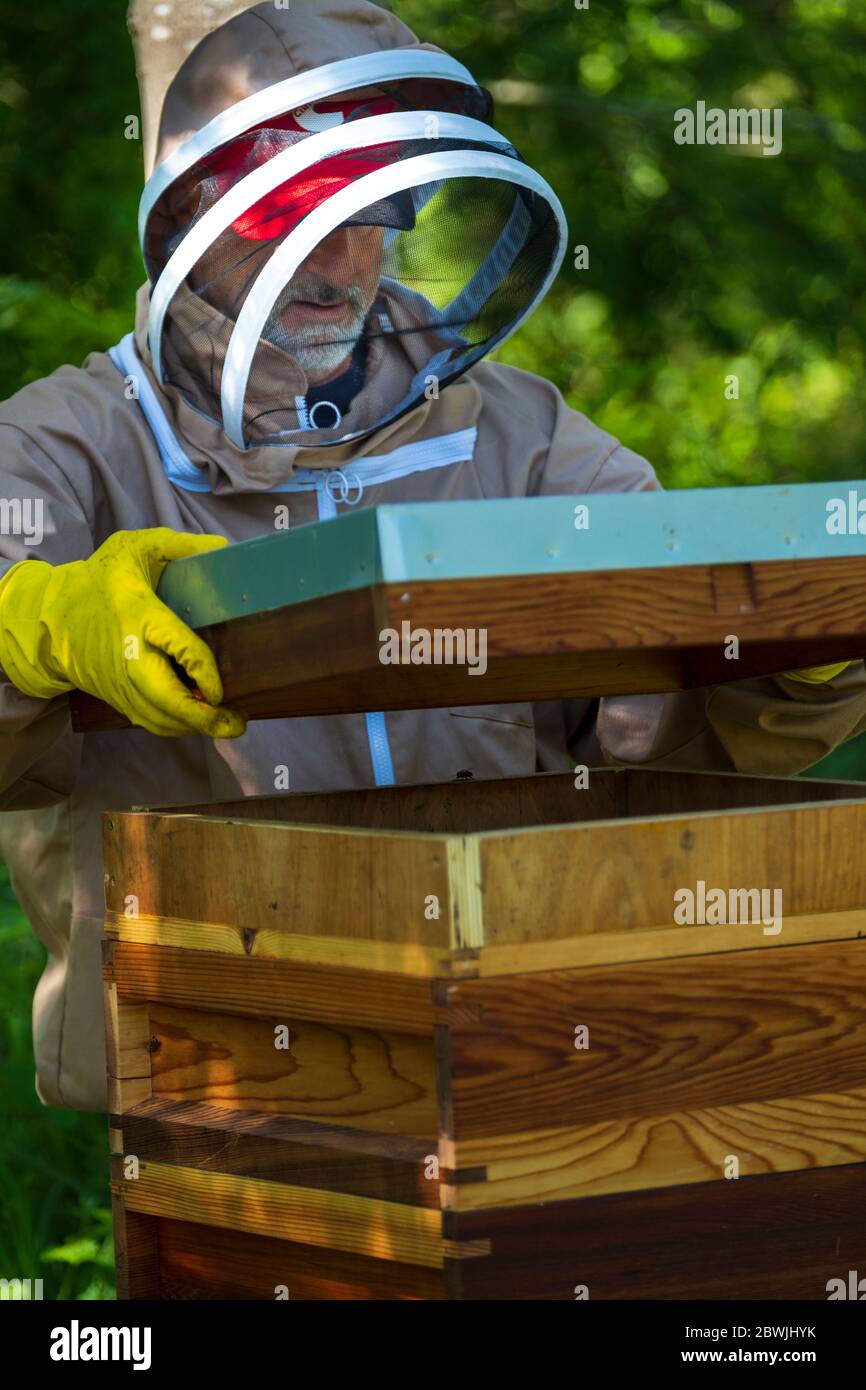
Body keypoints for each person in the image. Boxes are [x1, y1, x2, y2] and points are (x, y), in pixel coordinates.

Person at [0, 0, 864, 1113]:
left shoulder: (521, 434)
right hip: (204, 1062)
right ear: (192, 218)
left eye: (377, 210)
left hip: (528, 1033)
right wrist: (29, 631)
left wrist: (795, 654)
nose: (342, 260)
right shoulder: (66, 444)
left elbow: (659, 737)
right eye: (298, 214)